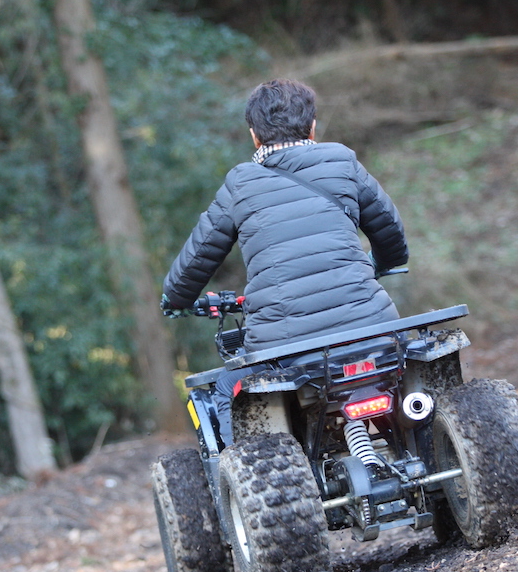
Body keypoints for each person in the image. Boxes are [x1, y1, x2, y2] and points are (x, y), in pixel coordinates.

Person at [161, 78, 409, 440]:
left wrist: (177, 301)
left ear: (254, 136)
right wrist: (379, 266)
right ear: (312, 127)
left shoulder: (241, 184)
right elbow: (391, 236)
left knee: (226, 387)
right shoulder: (342, 161)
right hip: (372, 329)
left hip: (284, 349)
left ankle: (243, 470)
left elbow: (196, 261)